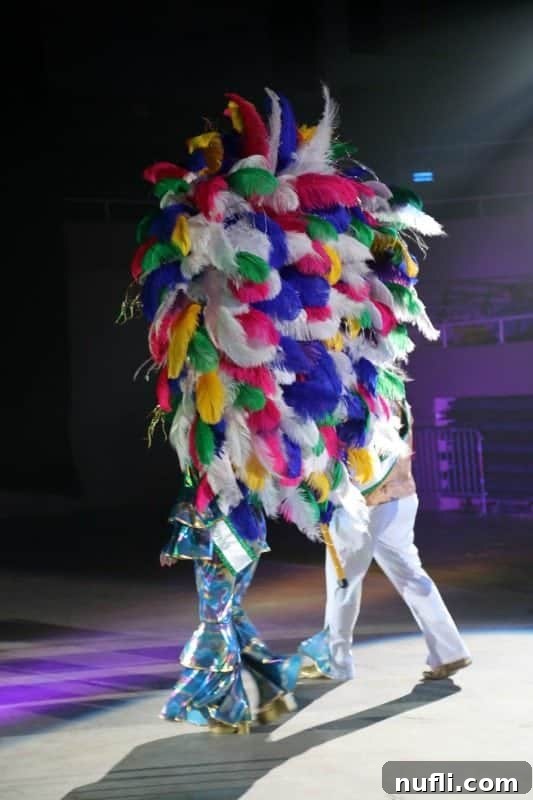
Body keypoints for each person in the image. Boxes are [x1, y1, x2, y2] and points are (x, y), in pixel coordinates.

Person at [299, 402, 472, 682]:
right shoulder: (396, 395)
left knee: (343, 582)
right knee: (411, 577)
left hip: (366, 505)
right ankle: (449, 650)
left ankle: (337, 661)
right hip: (402, 496)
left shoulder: (355, 396)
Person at [159, 492, 301, 734]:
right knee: (229, 613)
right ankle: (274, 679)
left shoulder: (213, 452)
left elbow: (203, 486)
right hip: (249, 528)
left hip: (221, 535)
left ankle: (228, 708)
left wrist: (178, 538)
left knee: (216, 621)